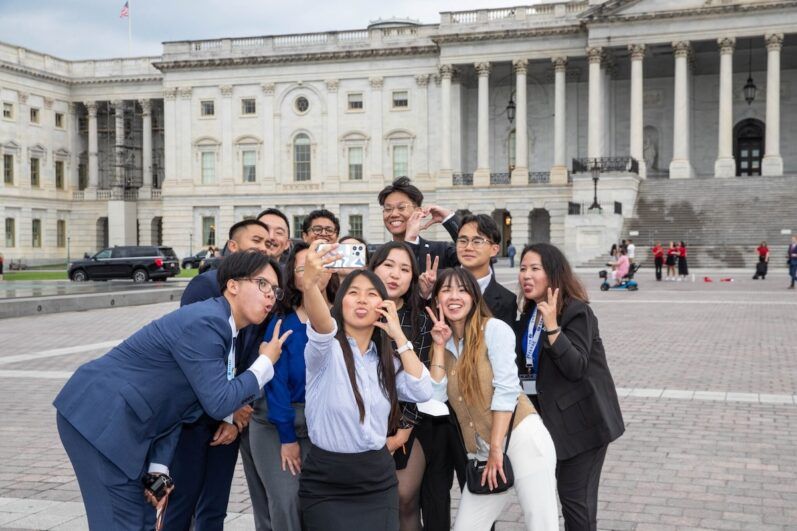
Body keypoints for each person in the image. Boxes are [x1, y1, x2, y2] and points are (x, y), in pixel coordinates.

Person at [53, 251, 291, 530]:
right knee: (121, 522)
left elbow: (180, 408)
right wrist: (264, 363)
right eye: (262, 284)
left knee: (141, 520)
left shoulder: (224, 328)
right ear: (233, 285)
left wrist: (159, 468)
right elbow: (218, 402)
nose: (270, 296)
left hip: (127, 424)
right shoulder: (207, 322)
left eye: (275, 290)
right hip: (101, 419)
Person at [298, 242, 432, 530]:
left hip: (377, 479)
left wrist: (398, 335)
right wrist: (310, 287)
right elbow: (323, 326)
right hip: (326, 479)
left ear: (382, 307)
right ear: (340, 302)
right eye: (353, 293)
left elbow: (423, 390)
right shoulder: (325, 351)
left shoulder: (388, 361)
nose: (362, 300)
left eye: (372, 295)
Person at [426, 268, 558, 530]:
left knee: (541, 523)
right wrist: (439, 346)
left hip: (522, 437)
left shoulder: (494, 329)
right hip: (485, 452)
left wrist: (497, 447)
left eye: (462, 290)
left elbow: (507, 390)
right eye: (446, 290)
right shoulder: (442, 342)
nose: (454, 297)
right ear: (437, 300)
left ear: (474, 297)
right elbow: (436, 397)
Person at [165, 219, 274, 531]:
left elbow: (255, 351)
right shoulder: (206, 286)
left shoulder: (263, 294)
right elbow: (202, 354)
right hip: (198, 413)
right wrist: (229, 410)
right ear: (233, 247)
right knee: (182, 501)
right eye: (257, 240)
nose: (264, 247)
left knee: (214, 505)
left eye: (268, 243)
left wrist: (237, 412)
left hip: (235, 409)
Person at [515, 243, 625, 531]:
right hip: (549, 423)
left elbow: (576, 366)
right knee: (555, 498)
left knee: (576, 502)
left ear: (553, 274)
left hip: (583, 424)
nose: (526, 275)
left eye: (534, 269)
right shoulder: (529, 314)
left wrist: (553, 328)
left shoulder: (576, 312)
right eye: (523, 268)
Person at [248, 242, 336, 531]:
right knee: (285, 501)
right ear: (293, 277)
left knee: (320, 504)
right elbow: (277, 386)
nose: (312, 271)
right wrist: (287, 439)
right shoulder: (281, 323)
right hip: (277, 424)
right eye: (303, 267)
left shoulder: (346, 318)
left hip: (323, 425)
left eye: (319, 263)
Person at [369, 241, 445, 531]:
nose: (395, 274)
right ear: (374, 267)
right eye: (388, 265)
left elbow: (419, 382)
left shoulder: (421, 318)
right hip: (362, 422)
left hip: (406, 423)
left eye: (404, 269)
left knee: (405, 498)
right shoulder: (356, 310)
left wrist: (401, 435)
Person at [378, 177, 460, 273]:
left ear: (418, 211)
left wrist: (448, 218)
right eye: (388, 209)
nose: (394, 214)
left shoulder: (442, 251)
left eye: (401, 208)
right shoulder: (378, 255)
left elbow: (476, 257)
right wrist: (410, 242)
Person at [457, 213, 517, 329]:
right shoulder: (438, 285)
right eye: (463, 241)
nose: (468, 247)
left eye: (477, 241)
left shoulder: (507, 300)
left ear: (494, 250)